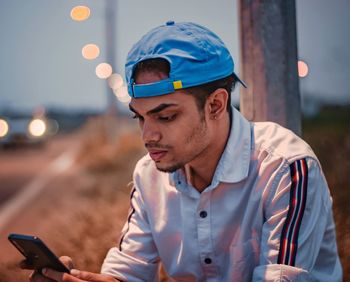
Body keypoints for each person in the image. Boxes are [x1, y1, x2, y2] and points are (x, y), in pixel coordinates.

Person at [27, 21, 342, 282]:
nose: (148, 136)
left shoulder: (286, 168)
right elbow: (129, 272)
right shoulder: (149, 174)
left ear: (216, 104)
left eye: (165, 116)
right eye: (140, 117)